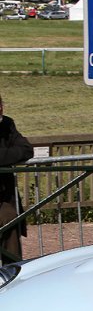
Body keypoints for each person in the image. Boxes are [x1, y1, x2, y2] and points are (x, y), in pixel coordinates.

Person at [0, 91, 33, 264]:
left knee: (10, 218)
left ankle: (13, 274)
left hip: (3, 197)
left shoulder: (7, 124)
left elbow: (27, 149)